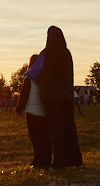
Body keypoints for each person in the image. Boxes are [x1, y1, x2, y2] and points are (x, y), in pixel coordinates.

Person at [27, 26, 82, 168]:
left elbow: (34, 73)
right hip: (67, 96)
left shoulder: (46, 54)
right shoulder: (67, 53)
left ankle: (60, 161)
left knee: (56, 130)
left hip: (51, 98)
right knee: (69, 128)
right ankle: (75, 159)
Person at [15, 53, 52, 168]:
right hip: (44, 111)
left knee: (35, 138)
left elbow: (24, 95)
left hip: (32, 111)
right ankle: (47, 160)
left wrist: (18, 109)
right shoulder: (46, 77)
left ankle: (38, 160)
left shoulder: (29, 77)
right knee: (45, 137)